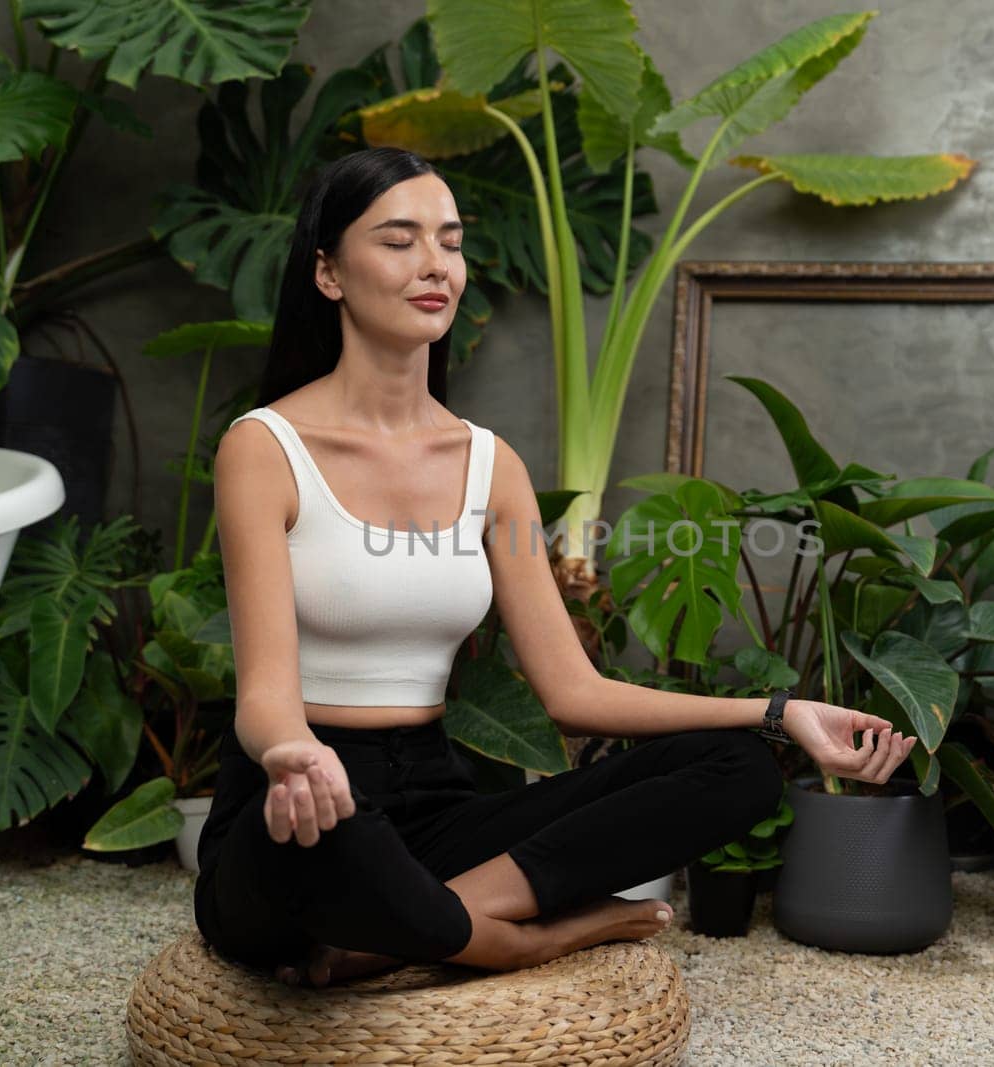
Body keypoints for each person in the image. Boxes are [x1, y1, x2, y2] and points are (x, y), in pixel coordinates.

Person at [193, 146, 916, 989]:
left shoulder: (488, 463)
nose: (435, 265)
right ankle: (520, 939)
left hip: (432, 806)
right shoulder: (265, 448)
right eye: (399, 240)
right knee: (333, 838)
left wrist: (781, 711)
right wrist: (290, 755)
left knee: (738, 767)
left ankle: (403, 932)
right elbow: (266, 696)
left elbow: (573, 692)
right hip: (299, 806)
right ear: (328, 273)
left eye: (450, 241)